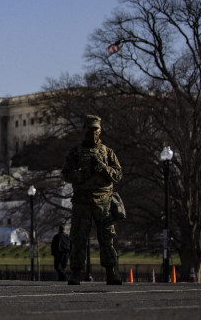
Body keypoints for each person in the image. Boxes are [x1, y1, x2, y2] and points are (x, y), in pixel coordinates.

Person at [61, 115, 123, 285]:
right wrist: (82, 174)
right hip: (82, 201)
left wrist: (103, 169)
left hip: (103, 200)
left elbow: (118, 175)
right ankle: (76, 272)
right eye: (89, 129)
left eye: (95, 129)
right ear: (84, 130)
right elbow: (65, 173)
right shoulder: (75, 153)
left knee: (107, 238)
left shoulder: (108, 152)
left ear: (100, 130)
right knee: (78, 238)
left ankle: (111, 271)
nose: (93, 133)